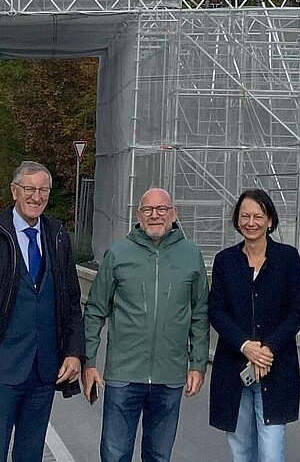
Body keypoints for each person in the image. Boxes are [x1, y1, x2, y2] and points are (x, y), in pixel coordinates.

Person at [0, 162, 85, 462]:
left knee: (30, 455)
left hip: (44, 371)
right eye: (29, 189)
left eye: (43, 190)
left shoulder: (58, 236)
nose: (36, 197)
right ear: (15, 191)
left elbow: (71, 303)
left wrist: (75, 352)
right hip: (0, 370)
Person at [82, 187, 209, 462]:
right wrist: (88, 362)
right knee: (115, 455)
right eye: (148, 210)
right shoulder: (117, 254)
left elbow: (200, 312)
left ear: (173, 214)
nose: (155, 215)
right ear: (138, 216)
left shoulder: (191, 256)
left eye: (162, 209)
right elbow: (94, 310)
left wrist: (198, 364)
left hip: (170, 376)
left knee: (159, 456)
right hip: (123, 375)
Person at [208, 188, 300, 462]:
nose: (251, 222)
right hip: (233, 372)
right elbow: (216, 311)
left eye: (258, 216)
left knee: (271, 453)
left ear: (270, 220)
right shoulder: (225, 261)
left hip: (275, 371)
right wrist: (245, 346)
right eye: (245, 216)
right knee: (241, 454)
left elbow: (298, 311)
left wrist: (265, 350)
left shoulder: (288, 258)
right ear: (237, 221)